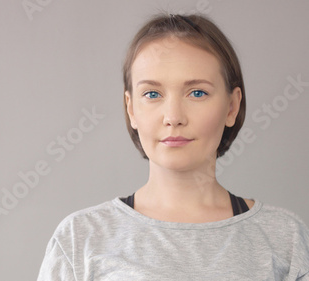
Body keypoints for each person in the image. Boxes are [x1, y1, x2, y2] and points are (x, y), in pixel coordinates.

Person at [37, 13, 309, 280]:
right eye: (152, 94)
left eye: (197, 93)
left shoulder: (286, 239)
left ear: (232, 107)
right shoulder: (79, 239)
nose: (173, 117)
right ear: (131, 109)